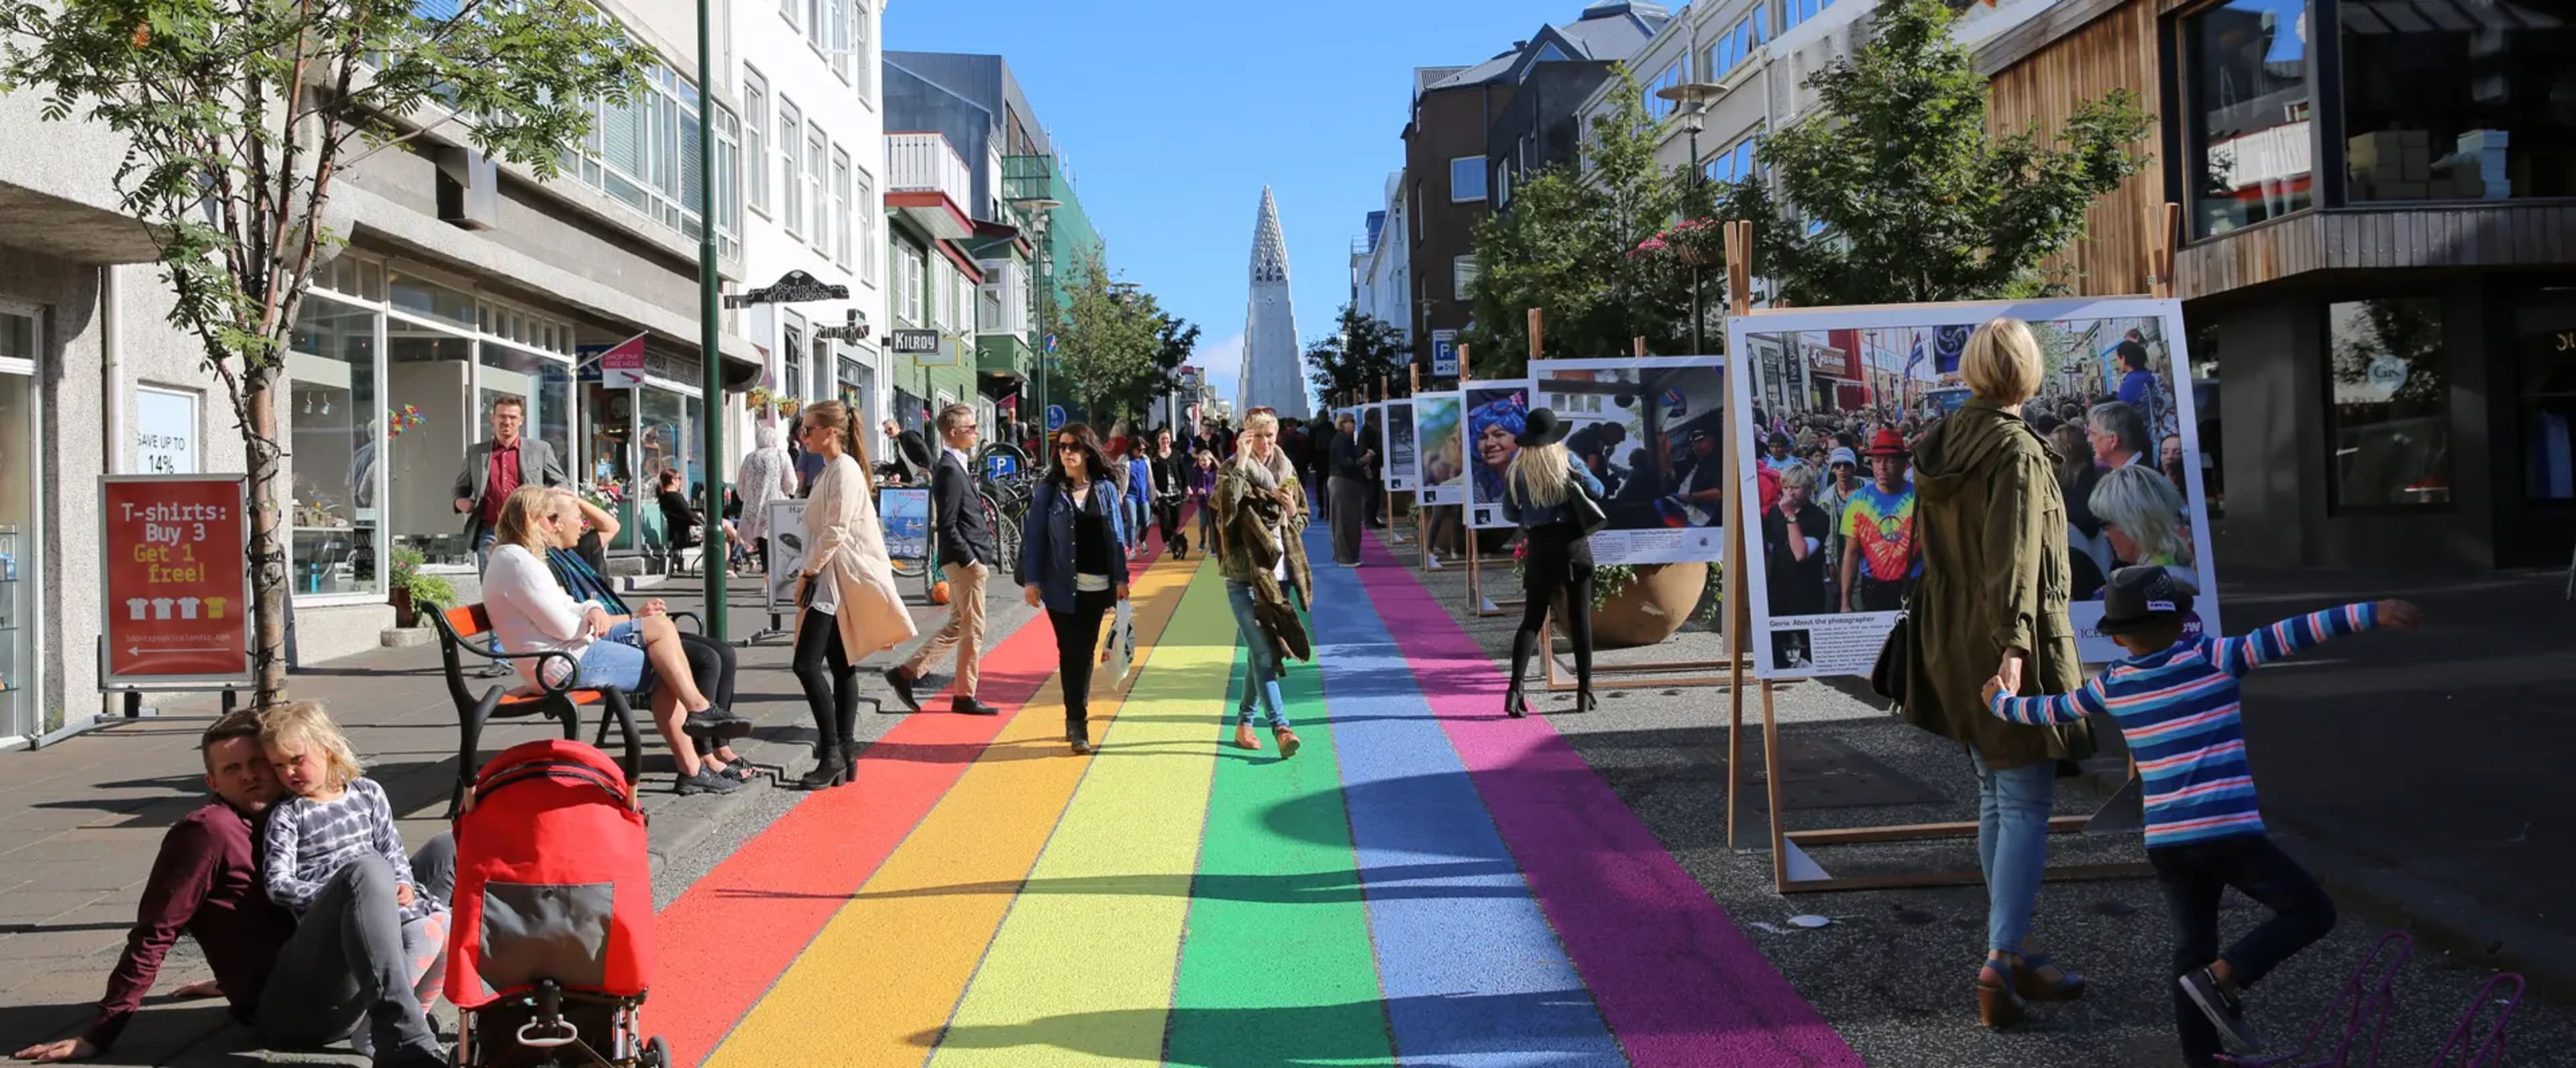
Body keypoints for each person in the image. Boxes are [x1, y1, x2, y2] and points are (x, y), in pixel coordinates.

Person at [1985, 568, 2422, 1063]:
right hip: (2228, 833)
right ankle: (2226, 976)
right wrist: (2374, 613)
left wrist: (2000, 700)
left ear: (2120, 635)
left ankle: (2202, 1057)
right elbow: (2293, 632)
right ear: (2182, 622)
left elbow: (2050, 710)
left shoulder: (2114, 683)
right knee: (2310, 911)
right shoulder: (2215, 657)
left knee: (2190, 952)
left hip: (2169, 844)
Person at [13, 716, 453, 1068]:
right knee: (367, 870)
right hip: (295, 1012)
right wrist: (99, 1034)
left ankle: (496, 983)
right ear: (212, 783)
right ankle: (403, 1036)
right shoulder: (207, 832)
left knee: (447, 848)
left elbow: (266, 921)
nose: (249, 777)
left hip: (331, 970)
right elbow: (154, 932)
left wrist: (228, 974)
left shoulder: (293, 810)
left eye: (258, 764)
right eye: (231, 769)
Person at [1899, 317, 2094, 1030]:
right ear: (2029, 370)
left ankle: (2014, 946)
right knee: (2024, 799)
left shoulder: (1943, 439)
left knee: (1995, 791)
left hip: (1951, 631)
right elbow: (2012, 557)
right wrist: (2013, 650)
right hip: (2004, 634)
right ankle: (2003, 956)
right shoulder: (2014, 448)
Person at [482, 486, 749, 794]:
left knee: (660, 627)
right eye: (553, 519)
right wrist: (589, 614)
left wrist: (592, 607)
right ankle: (693, 756)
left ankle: (700, 715)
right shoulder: (519, 563)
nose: (557, 526)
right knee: (666, 670)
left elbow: (567, 604)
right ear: (534, 520)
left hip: (568, 652)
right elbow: (565, 626)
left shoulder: (517, 557)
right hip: (561, 663)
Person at [255, 702, 449, 1036]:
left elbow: (392, 848)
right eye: (279, 766)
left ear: (327, 748)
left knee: (449, 926)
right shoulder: (290, 814)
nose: (289, 772)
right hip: (343, 917)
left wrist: (403, 881)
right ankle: (381, 1026)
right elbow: (278, 884)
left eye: (297, 759)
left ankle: (412, 1017)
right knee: (426, 933)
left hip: (387, 898)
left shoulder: (367, 793)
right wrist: (338, 893)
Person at [791, 400, 918, 788]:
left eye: (808, 429)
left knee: (807, 664)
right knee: (840, 663)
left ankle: (832, 751)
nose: (803, 435)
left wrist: (806, 573)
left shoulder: (842, 470)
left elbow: (835, 531)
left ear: (830, 431)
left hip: (832, 580)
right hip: (833, 578)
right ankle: (845, 753)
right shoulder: (834, 469)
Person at [1018, 423, 1130, 755]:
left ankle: (1075, 718)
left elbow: (1117, 536)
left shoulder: (1106, 489)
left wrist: (1121, 579)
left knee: (1085, 649)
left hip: (1097, 587)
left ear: (1087, 452)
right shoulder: (1049, 491)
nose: (1067, 452)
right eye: (1063, 447)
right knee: (1073, 652)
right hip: (1060, 587)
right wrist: (1032, 581)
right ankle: (1077, 721)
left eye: (1074, 447)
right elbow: (1035, 538)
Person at [888, 403, 1002, 717]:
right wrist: (971, 560)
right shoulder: (950, 469)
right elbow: (948, 523)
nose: (977, 432)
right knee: (974, 630)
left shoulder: (957, 464)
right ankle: (964, 696)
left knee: (959, 624)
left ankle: (906, 673)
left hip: (967, 558)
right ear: (953, 433)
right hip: (965, 562)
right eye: (971, 428)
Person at [1210, 407, 1307, 756]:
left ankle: (1244, 724)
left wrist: (1292, 510)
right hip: (1243, 578)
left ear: (1277, 434)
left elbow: (1302, 519)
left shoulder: (1287, 470)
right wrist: (1241, 462)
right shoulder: (1230, 469)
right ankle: (1281, 727)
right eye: (1256, 435)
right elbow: (1225, 510)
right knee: (1265, 652)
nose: (1264, 443)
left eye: (1269, 435)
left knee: (1257, 654)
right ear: (1244, 436)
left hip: (1278, 578)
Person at [451, 396, 568, 677]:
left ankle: (542, 648)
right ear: (493, 419)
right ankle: (500, 658)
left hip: (529, 533)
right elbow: (459, 489)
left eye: (513, 418)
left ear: (521, 421)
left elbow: (561, 482)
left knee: (535, 590)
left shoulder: (539, 450)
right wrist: (461, 503)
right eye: (502, 417)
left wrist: (546, 507)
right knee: (495, 595)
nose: (507, 423)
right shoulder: (477, 453)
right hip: (490, 532)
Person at [1500, 409, 1603, 716]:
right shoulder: (1568, 461)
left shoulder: (1517, 469)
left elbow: (1509, 513)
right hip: (1573, 546)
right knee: (1580, 620)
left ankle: (1515, 689)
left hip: (1540, 548)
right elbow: (1598, 490)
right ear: (1556, 436)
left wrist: (1533, 512)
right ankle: (1584, 691)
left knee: (1532, 619)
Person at [1837, 429, 1921, 612]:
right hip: (1874, 589)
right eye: (1877, 460)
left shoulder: (1921, 498)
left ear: (1903, 464)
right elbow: (1851, 552)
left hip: (1915, 588)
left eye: (1890, 460)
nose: (1881, 467)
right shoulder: (1858, 501)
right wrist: (1845, 601)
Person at [2092, 463, 2196, 582]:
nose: (2105, 534)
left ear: (2132, 521)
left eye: (2105, 523)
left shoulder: (2127, 583)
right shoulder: (2195, 573)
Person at [1764, 463, 1832, 617]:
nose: (1790, 493)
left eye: (1796, 488)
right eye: (1786, 487)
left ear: (1809, 489)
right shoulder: (1774, 512)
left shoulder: (1819, 517)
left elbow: (1800, 554)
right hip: (1778, 591)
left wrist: (1790, 515)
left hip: (1807, 593)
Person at [734, 423, 798, 573]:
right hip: (776, 506)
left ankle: (767, 576)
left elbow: (740, 487)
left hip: (754, 508)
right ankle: (776, 577)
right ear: (775, 441)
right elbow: (791, 483)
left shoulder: (749, 458)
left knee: (764, 544)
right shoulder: (781, 455)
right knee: (779, 543)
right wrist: (789, 492)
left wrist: (748, 499)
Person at [1814, 447, 1862, 609]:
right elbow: (1826, 533)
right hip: (1841, 550)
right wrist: (1829, 560)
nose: (1842, 469)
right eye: (1838, 465)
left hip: (1867, 549)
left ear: (1853, 467)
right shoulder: (1826, 498)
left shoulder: (1868, 488)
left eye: (1846, 465)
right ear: (1833, 468)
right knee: (1844, 589)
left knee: (1861, 595)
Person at [1327, 411, 1372, 567]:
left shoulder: (1344, 440)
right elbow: (1346, 463)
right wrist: (1363, 460)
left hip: (1346, 482)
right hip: (1342, 482)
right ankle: (1345, 557)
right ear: (1343, 423)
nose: (1354, 424)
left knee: (1349, 520)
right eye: (1351, 421)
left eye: (1354, 421)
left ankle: (1347, 556)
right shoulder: (1341, 440)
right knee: (1344, 521)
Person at [1150, 427, 1188, 556]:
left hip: (1176, 491)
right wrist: (1154, 491)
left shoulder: (1176, 454)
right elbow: (1150, 476)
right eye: (1162, 439)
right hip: (1162, 493)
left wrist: (1187, 487)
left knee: (1175, 520)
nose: (1165, 441)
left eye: (1167, 438)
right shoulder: (1154, 457)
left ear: (1170, 440)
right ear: (1158, 441)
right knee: (1165, 520)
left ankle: (1173, 539)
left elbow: (1183, 471)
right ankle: (1168, 542)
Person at [881, 418, 932, 486]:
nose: (888, 432)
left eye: (890, 429)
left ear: (897, 426)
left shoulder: (908, 436)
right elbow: (900, 465)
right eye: (886, 432)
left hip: (925, 476)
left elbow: (924, 450)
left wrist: (928, 470)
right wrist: (886, 468)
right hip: (916, 480)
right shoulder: (899, 445)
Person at [1189, 449, 1219, 550]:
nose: (1203, 463)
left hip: (1213, 503)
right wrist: (1198, 490)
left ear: (1211, 461)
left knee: (1212, 526)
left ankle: (1213, 546)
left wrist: (1212, 492)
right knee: (1202, 525)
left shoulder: (1215, 473)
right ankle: (1202, 541)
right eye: (1200, 461)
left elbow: (1217, 486)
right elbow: (1194, 485)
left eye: (1205, 460)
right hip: (1202, 503)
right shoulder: (1197, 472)